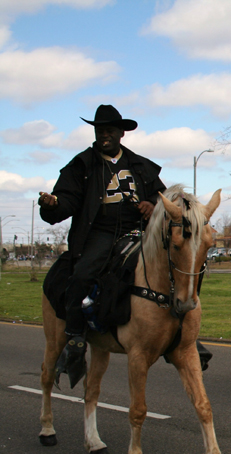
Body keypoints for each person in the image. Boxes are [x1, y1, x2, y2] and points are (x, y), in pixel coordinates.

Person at [39, 104, 166, 386]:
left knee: (173, 268)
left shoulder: (140, 165)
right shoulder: (82, 165)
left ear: (121, 133)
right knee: (83, 273)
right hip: (100, 232)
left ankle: (183, 334)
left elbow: (163, 198)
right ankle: (75, 336)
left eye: (109, 130)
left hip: (139, 231)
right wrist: (52, 205)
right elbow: (66, 201)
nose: (103, 134)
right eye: (99, 130)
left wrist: (152, 204)